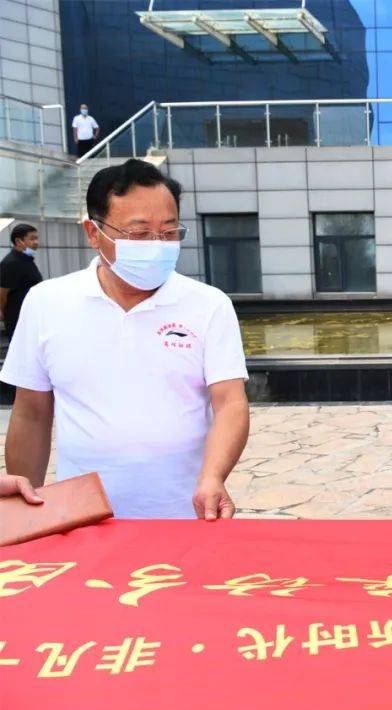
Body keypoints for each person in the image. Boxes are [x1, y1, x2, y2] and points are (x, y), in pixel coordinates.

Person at [0, 159, 250, 520]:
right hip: (84, 516)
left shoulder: (208, 305)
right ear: (93, 232)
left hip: (187, 513)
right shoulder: (47, 303)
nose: (156, 245)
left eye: (168, 232)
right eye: (139, 233)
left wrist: (213, 476)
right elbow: (32, 413)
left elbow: (230, 404)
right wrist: (25, 506)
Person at [0, 224, 43, 343]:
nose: (36, 242)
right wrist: (2, 312)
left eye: (36, 238)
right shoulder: (11, 263)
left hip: (31, 317)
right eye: (32, 239)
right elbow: (2, 293)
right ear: (19, 241)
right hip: (18, 320)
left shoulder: (26, 260)